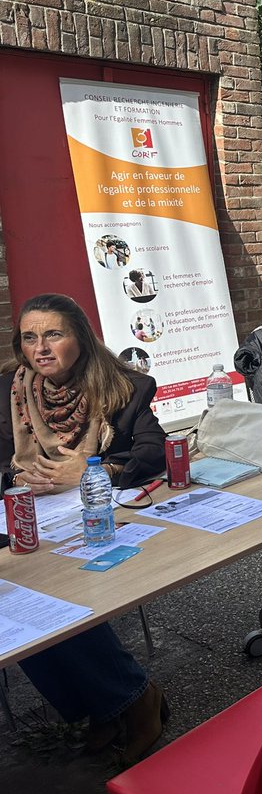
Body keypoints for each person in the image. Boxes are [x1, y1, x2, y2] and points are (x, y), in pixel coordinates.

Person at [0, 293, 168, 765]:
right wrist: (14, 478)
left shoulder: (123, 387)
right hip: (29, 517)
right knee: (16, 598)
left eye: (54, 334)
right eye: (29, 338)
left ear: (82, 339)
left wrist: (94, 472)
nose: (41, 348)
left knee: (51, 593)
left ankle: (134, 699)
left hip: (100, 517)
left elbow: (154, 452)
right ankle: (102, 704)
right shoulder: (7, 392)